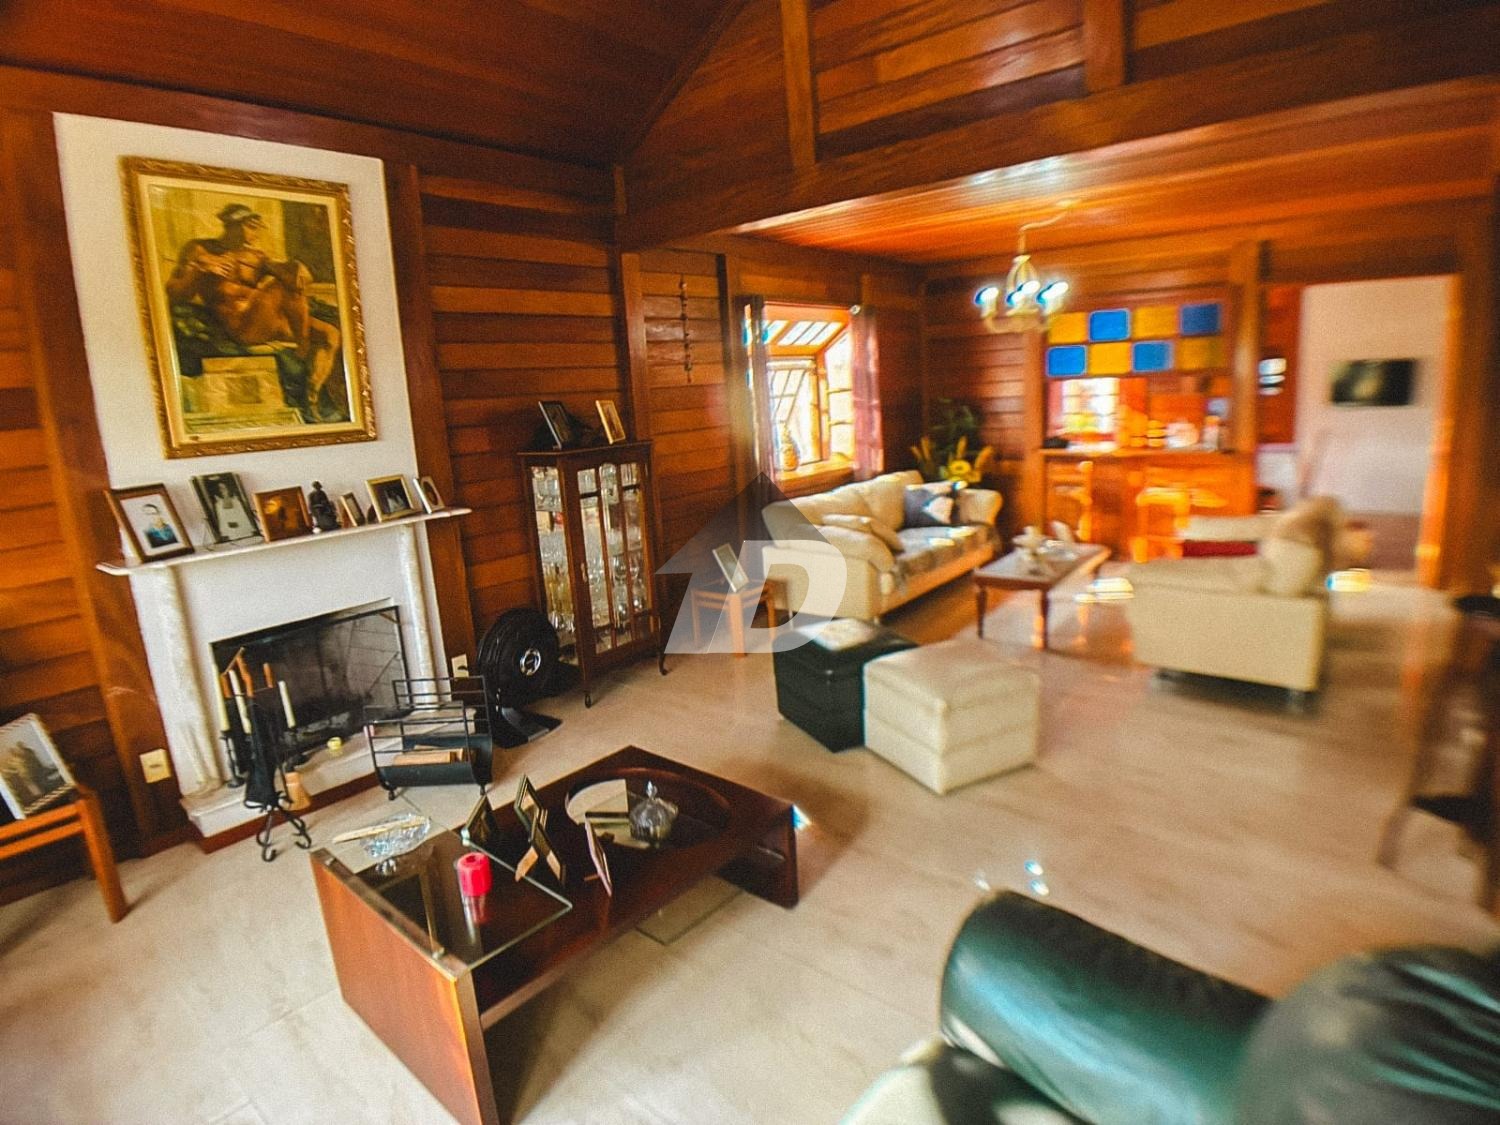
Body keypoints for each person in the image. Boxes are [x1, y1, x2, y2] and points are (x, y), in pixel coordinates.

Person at [165, 203, 342, 420]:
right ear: (232, 225)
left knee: (330, 335)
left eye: (258, 227)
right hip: (241, 326)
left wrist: (297, 269)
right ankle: (302, 344)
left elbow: (297, 280)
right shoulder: (201, 250)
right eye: (251, 226)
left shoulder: (256, 257)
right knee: (281, 287)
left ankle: (311, 399)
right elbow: (175, 292)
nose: (256, 232)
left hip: (266, 320)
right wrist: (199, 269)